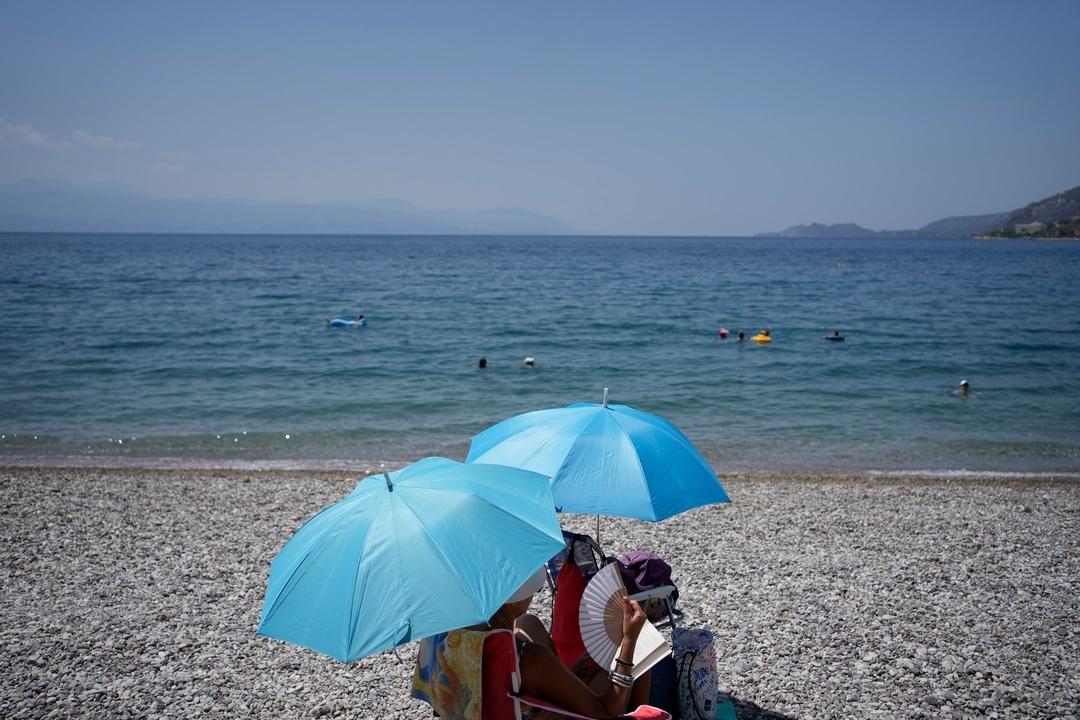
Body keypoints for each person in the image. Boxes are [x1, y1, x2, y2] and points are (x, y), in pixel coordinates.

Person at [484, 569, 653, 718]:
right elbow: (605, 713)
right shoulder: (530, 657)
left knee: (527, 622)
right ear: (514, 598)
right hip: (539, 711)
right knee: (633, 659)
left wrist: (573, 671)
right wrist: (629, 642)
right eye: (535, 589)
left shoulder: (464, 640)